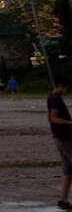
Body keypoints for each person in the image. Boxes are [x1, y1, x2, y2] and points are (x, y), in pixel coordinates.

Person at [47, 76, 72, 209]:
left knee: (68, 170)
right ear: (61, 86)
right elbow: (53, 118)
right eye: (68, 88)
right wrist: (69, 123)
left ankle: (63, 200)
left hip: (60, 137)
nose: (69, 91)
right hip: (64, 138)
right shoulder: (55, 98)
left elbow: (49, 117)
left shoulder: (53, 98)